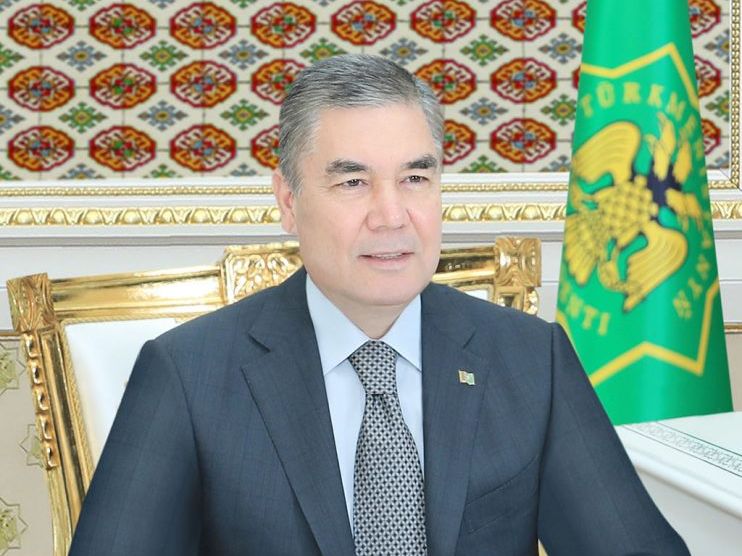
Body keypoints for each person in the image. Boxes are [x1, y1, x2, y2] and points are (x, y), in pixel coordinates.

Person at [70, 54, 689, 555]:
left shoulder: (530, 358)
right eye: (352, 182)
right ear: (288, 201)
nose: (392, 216)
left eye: (415, 178)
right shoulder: (188, 375)